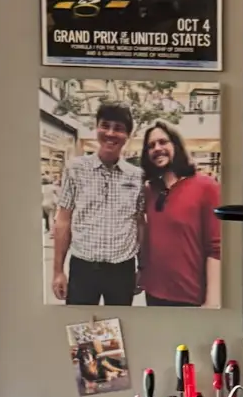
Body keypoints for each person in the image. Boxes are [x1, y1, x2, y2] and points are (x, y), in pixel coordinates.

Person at [51, 101, 142, 305]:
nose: (110, 133)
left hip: (122, 269)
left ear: (127, 135)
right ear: (97, 128)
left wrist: (142, 268)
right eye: (105, 126)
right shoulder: (75, 169)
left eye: (118, 128)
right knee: (80, 323)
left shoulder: (136, 176)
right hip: (83, 267)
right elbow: (63, 221)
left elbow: (139, 224)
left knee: (122, 321)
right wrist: (58, 271)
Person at [136, 121, 221, 307]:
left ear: (176, 145)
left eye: (163, 142)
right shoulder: (150, 190)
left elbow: (216, 249)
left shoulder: (206, 187)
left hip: (189, 297)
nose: (157, 148)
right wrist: (141, 271)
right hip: (153, 293)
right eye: (151, 146)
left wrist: (212, 301)